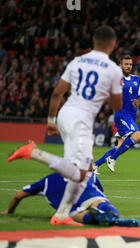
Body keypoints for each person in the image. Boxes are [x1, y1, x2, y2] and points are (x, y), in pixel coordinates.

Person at [7, 26, 123, 226]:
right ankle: (34, 153)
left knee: (86, 171)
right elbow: (117, 106)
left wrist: (51, 122)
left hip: (65, 114)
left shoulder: (77, 61)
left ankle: (62, 214)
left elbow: (57, 93)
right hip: (81, 120)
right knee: (79, 173)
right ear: (113, 45)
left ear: (94, 41)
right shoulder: (113, 69)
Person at [1, 173, 140, 227]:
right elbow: (100, 190)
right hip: (91, 195)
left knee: (76, 212)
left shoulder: (48, 180)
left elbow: (17, 195)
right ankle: (110, 214)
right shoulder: (87, 172)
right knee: (101, 202)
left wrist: (9, 211)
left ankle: (95, 216)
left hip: (70, 205)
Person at [93, 54, 140, 173]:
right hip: (121, 114)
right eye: (126, 64)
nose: (128, 66)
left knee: (119, 146)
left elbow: (139, 98)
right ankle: (113, 159)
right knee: (137, 136)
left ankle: (95, 165)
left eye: (130, 64)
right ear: (120, 65)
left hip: (132, 115)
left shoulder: (137, 80)